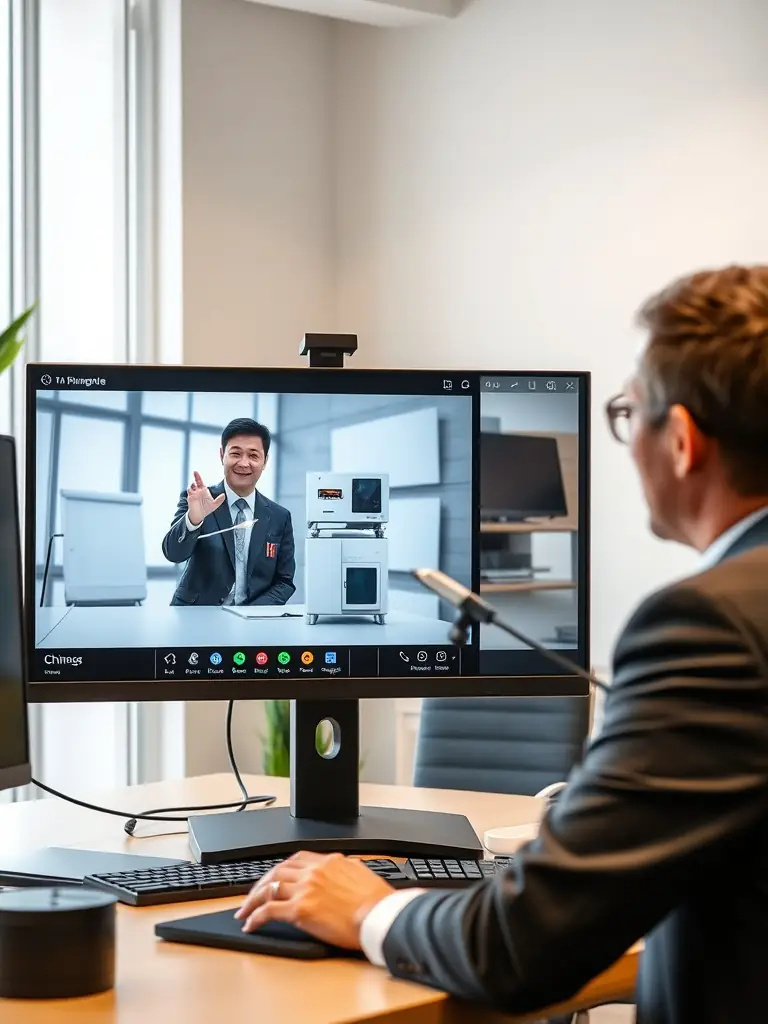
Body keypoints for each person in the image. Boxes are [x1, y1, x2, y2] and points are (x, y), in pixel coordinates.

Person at [234, 264, 768, 1023]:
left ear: (681, 440)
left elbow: (523, 944)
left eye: (627, 414)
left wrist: (369, 911)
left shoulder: (710, 627)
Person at [162, 418, 295, 606]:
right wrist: (194, 519)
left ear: (265, 461)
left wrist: (251, 613)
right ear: (222, 455)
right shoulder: (198, 500)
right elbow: (173, 554)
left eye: (253, 455)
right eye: (235, 453)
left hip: (252, 623)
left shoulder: (280, 517)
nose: (243, 463)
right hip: (197, 615)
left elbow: (285, 581)